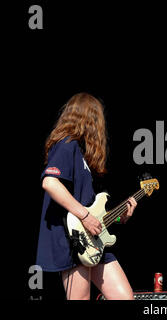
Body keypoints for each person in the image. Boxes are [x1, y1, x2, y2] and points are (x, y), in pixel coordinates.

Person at [36, 92, 137, 300]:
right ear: (90, 119)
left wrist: (120, 216)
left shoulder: (82, 156)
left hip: (95, 239)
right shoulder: (66, 144)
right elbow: (50, 182)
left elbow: (95, 211)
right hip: (74, 238)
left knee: (125, 297)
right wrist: (84, 216)